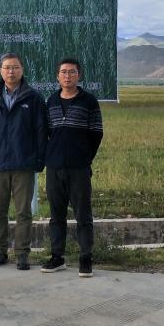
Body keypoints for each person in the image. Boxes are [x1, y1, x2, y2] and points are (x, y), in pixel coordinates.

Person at [0, 53, 48, 270]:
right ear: (1, 71)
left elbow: (41, 131)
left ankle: (22, 253)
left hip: (23, 163)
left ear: (22, 69)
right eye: (7, 67)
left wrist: (39, 159)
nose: (11, 71)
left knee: (23, 212)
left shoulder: (33, 98)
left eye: (15, 67)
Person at [42, 58, 104, 277]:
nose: (67, 76)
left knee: (83, 214)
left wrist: (85, 158)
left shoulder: (89, 101)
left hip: (79, 168)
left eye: (71, 72)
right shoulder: (51, 101)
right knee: (56, 215)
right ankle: (57, 257)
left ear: (79, 75)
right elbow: (48, 132)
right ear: (57, 76)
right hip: (54, 167)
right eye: (63, 72)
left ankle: (85, 258)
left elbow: (96, 133)